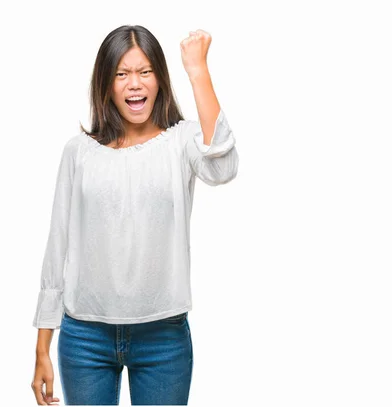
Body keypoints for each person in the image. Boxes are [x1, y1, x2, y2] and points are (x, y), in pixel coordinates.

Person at [30, 25, 239, 406]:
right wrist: (43, 345)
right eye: (121, 74)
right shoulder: (79, 152)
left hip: (163, 338)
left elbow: (221, 166)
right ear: (105, 84)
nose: (134, 84)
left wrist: (197, 71)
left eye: (145, 72)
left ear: (160, 78)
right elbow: (57, 244)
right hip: (85, 338)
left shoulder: (182, 141)